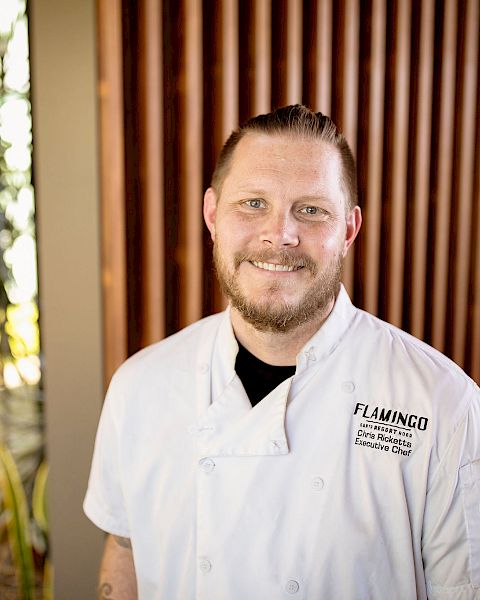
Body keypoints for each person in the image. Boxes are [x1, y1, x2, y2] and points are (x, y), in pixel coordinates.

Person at [84, 105, 480, 600]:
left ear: (349, 231)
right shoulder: (139, 385)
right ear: (212, 214)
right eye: (252, 203)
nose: (280, 234)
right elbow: (125, 546)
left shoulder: (443, 404)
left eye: (311, 210)